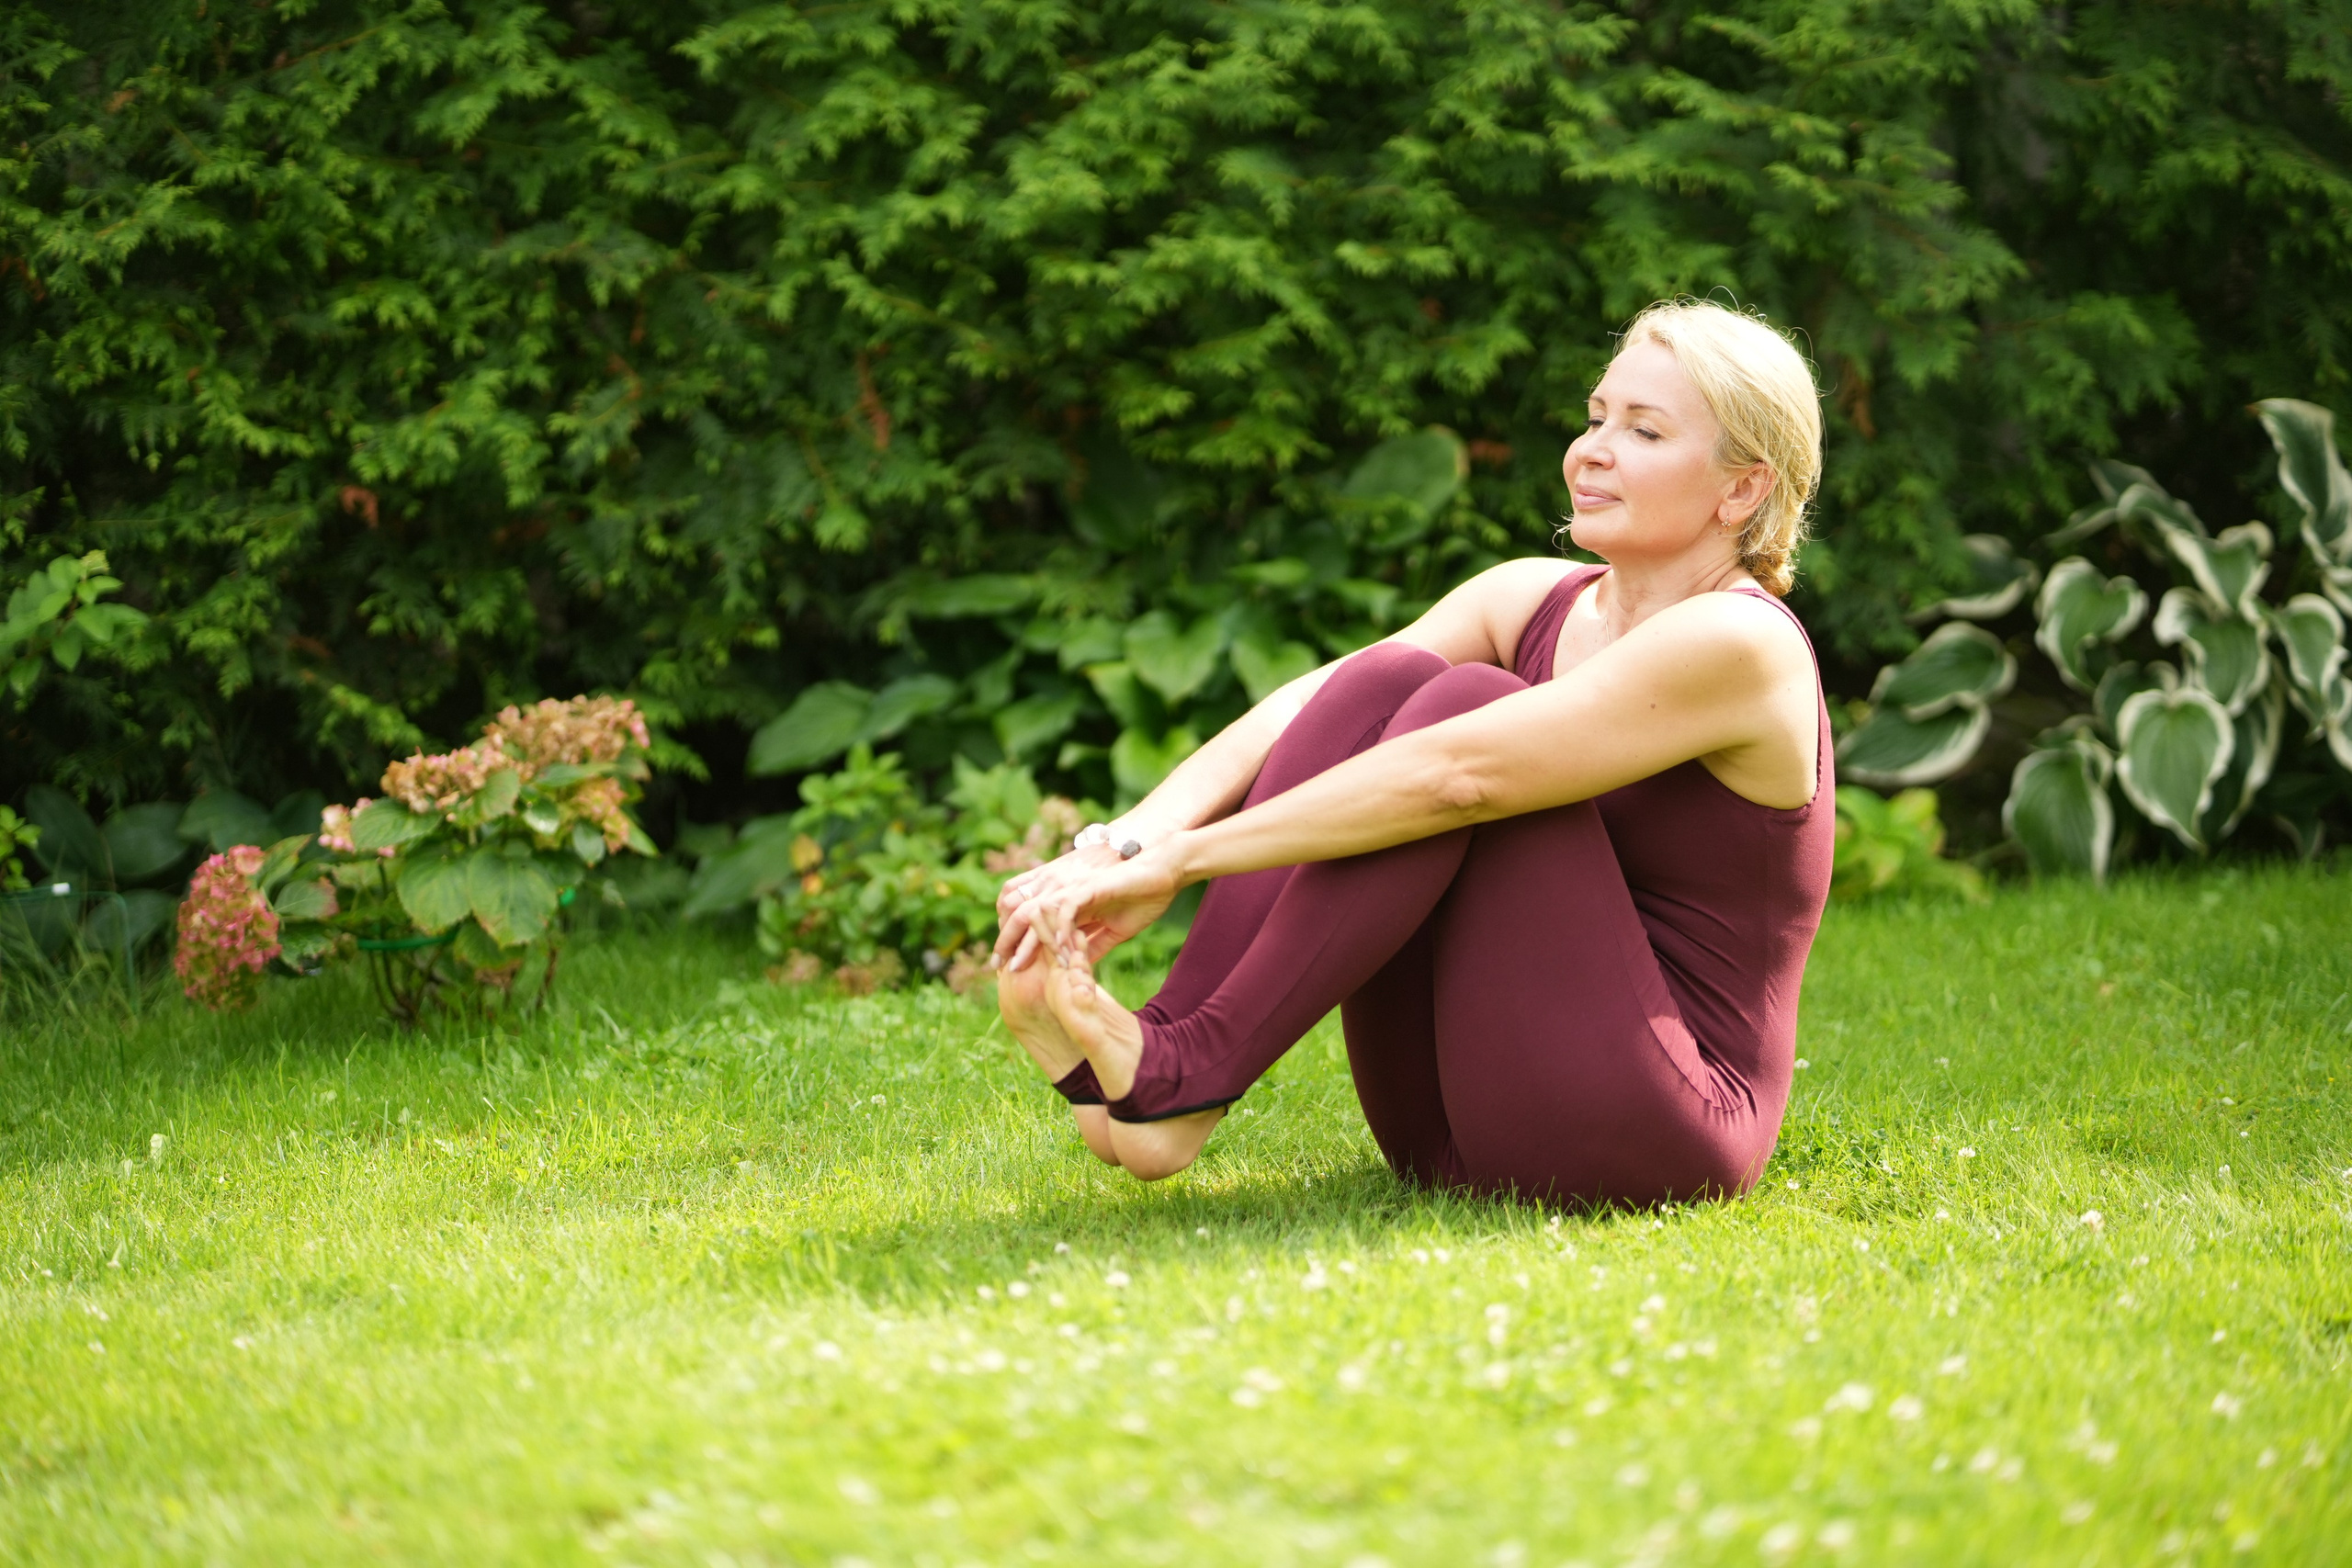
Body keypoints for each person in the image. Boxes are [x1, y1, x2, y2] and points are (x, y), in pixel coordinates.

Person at [992, 299, 1832, 1205]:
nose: (1592, 449)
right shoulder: (1531, 598)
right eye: (1595, 418)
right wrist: (1123, 843)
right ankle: (1158, 1059)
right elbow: (1314, 708)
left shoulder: (1741, 646)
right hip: (1446, 1119)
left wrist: (1183, 863)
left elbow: (1457, 778)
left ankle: (1183, 1073)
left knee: (1471, 709)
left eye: (1643, 430)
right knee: (1380, 682)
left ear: (1742, 488)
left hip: (1654, 1127)